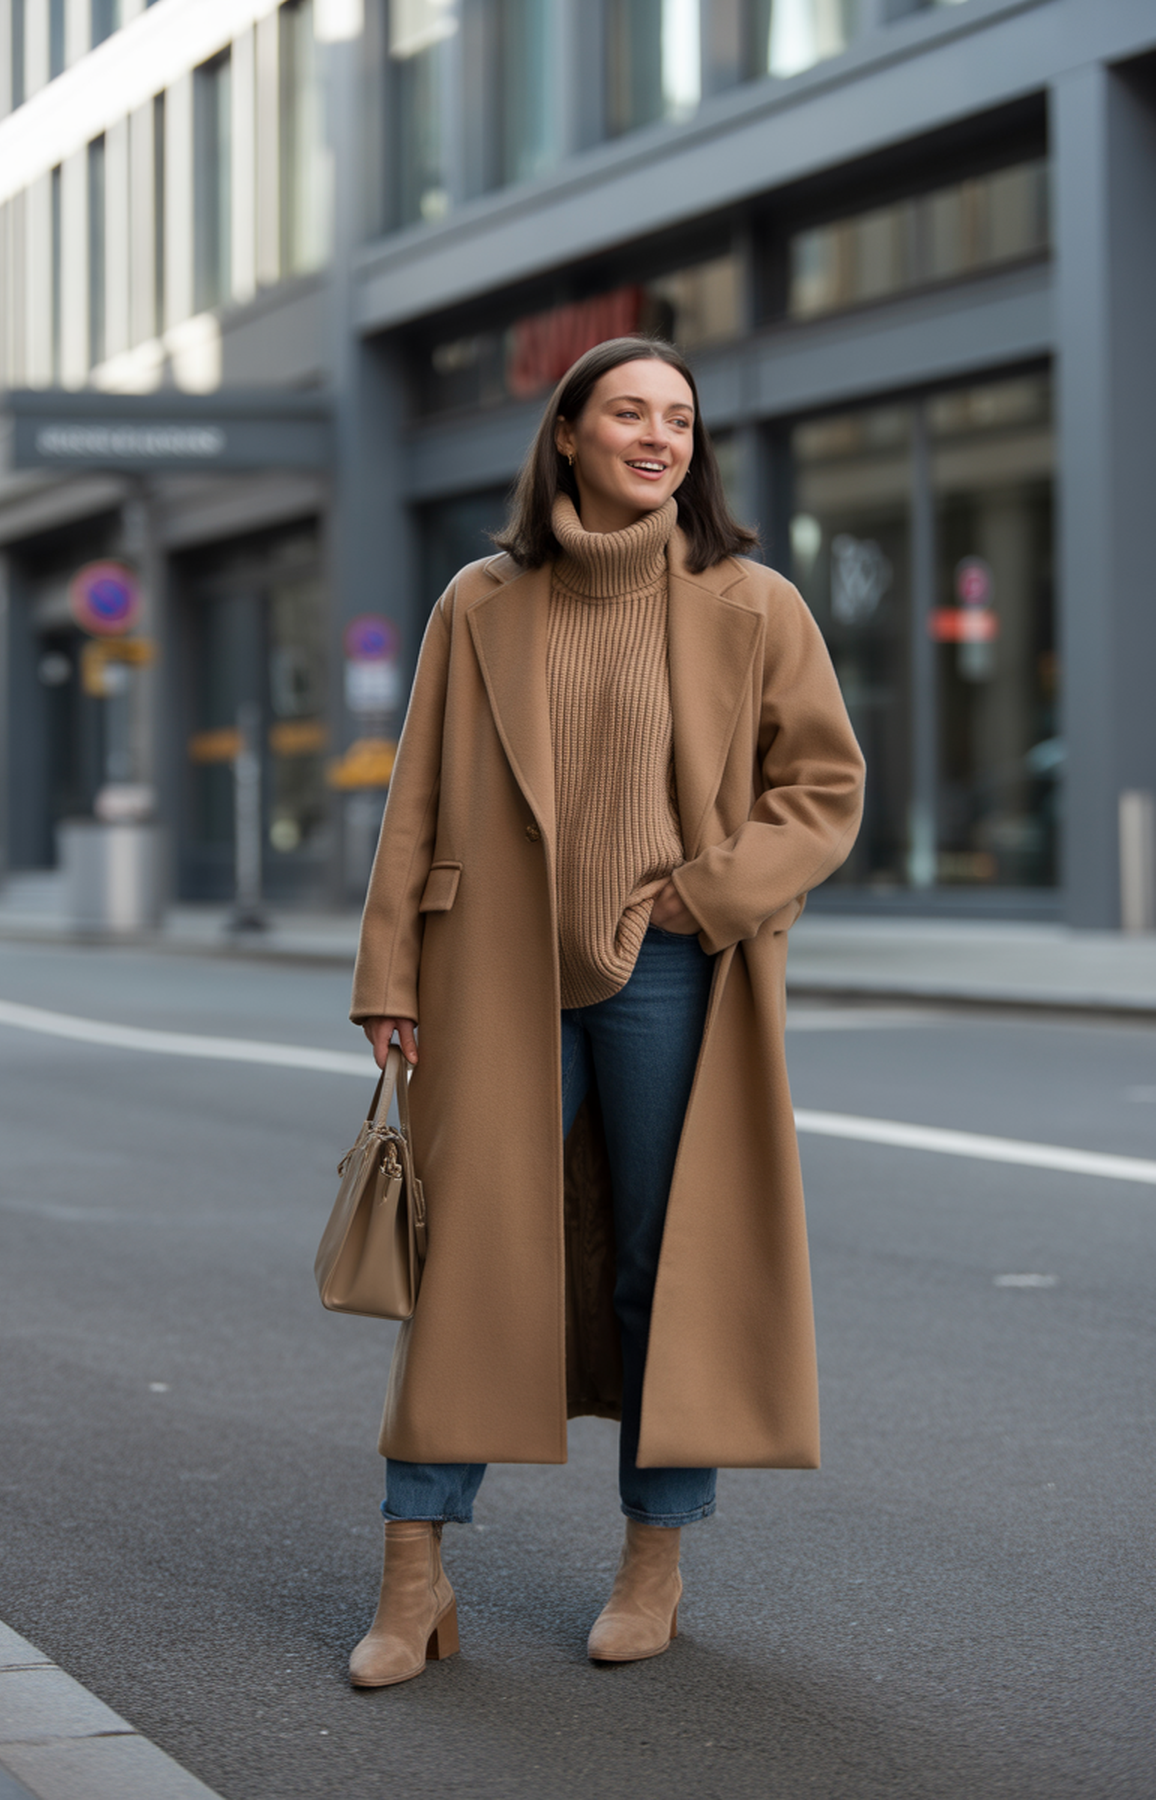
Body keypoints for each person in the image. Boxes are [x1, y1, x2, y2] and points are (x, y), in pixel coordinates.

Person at [347, 335, 864, 1687]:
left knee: (663, 1265)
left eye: (679, 420)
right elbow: (417, 797)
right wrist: (388, 974)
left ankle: (654, 1561)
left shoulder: (753, 603)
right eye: (629, 413)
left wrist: (709, 892)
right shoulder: (481, 601)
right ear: (568, 434)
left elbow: (823, 789)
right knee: (466, 1261)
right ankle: (414, 1574)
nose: (658, 438)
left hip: (671, 972)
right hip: (492, 968)